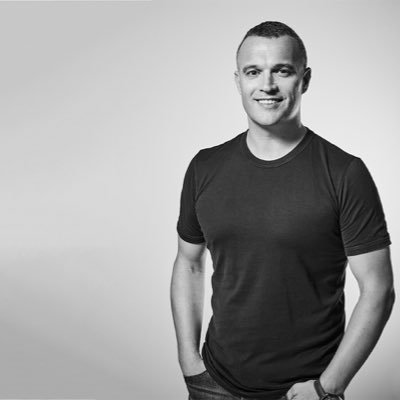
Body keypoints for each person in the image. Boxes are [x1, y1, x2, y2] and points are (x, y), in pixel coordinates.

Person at [170, 21, 395, 400]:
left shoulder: (344, 173)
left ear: (304, 80)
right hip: (214, 383)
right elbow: (189, 262)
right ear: (238, 81)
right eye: (253, 72)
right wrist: (189, 361)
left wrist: (327, 387)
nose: (267, 85)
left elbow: (379, 289)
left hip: (305, 390)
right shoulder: (204, 167)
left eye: (283, 70)